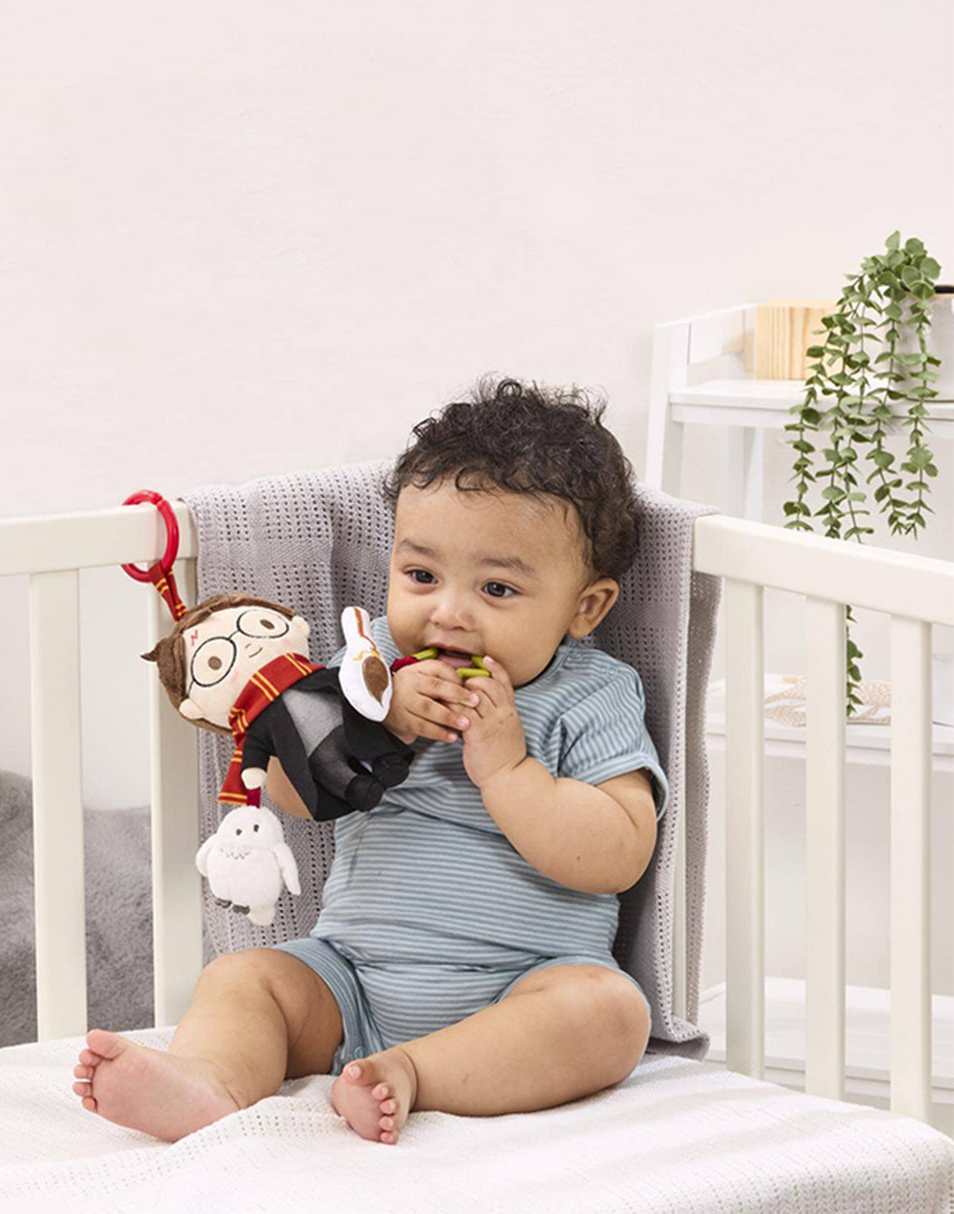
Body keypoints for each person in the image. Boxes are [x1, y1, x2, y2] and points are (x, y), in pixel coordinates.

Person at [71, 376, 669, 1146]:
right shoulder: (370, 669)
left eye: (496, 587)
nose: (448, 611)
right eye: (421, 576)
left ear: (585, 607)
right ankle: (209, 1085)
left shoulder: (591, 691)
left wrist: (510, 772)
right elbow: (290, 791)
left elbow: (621, 851)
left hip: (521, 987)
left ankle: (414, 1072)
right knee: (245, 978)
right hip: (348, 977)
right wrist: (372, 725)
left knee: (609, 1015)